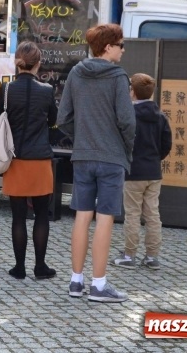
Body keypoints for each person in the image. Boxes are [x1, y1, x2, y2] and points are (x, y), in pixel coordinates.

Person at [56, 23, 135, 303]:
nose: (124, 49)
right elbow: (127, 121)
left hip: (83, 156)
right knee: (105, 219)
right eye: (121, 44)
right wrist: (126, 149)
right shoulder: (118, 77)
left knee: (81, 216)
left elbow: (63, 117)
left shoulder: (77, 73)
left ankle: (75, 282)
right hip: (111, 158)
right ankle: (99, 285)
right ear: (108, 46)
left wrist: (82, 137)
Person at [0, 41, 58, 280]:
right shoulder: (47, 90)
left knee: (18, 217)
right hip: (40, 159)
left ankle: (19, 267)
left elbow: (1, 117)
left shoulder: (6, 89)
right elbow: (53, 120)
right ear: (38, 63)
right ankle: (40, 267)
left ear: (16, 62)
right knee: (42, 215)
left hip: (15, 159)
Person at [113, 73, 172, 271]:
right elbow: (166, 145)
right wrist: (155, 159)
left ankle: (130, 255)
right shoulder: (161, 116)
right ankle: (152, 256)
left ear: (132, 92)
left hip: (133, 171)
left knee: (132, 214)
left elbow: (122, 141)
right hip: (154, 172)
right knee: (153, 215)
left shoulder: (129, 115)